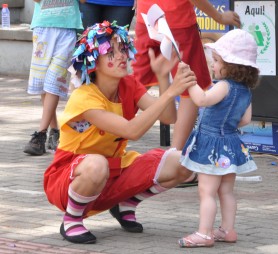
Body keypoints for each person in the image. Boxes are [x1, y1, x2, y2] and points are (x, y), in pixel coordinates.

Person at [43, 21, 196, 244]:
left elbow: (168, 118)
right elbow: (132, 131)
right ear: (93, 60)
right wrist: (172, 91)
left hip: (114, 168)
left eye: (123, 49)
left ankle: (127, 203)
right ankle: (72, 219)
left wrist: (164, 78)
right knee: (96, 164)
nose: (122, 56)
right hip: (69, 176)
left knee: (183, 163)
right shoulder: (83, 96)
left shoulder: (129, 84)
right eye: (111, 52)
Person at [133, 0, 241, 186]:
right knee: (190, 84)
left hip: (147, 15)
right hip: (176, 18)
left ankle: (105, 140)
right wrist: (220, 17)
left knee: (136, 83)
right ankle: (177, 162)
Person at [177, 29, 260, 247]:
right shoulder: (245, 91)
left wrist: (190, 82)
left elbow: (202, 100)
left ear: (231, 65)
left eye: (215, 61)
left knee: (206, 191)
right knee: (226, 191)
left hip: (213, 146)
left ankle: (204, 234)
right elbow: (245, 120)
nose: (213, 65)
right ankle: (227, 230)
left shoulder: (223, 86)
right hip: (231, 145)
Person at [24, 0, 86, 156]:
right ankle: (55, 132)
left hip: (67, 29)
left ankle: (40, 134)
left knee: (54, 81)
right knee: (44, 82)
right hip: (43, 27)